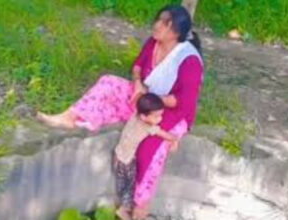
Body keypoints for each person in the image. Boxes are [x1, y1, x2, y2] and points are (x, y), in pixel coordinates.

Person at [36, 5, 204, 219]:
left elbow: (184, 102)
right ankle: (71, 117)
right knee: (109, 83)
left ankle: (139, 209)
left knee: (150, 149)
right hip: (145, 99)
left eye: (165, 24)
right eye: (159, 20)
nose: (158, 25)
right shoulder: (154, 42)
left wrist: (151, 101)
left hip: (170, 112)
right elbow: (137, 66)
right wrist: (137, 84)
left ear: (177, 33)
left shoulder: (189, 61)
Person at [113, 93, 177, 220]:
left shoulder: (134, 115)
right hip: (127, 160)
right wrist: (175, 139)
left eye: (161, 115)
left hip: (117, 155)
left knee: (122, 183)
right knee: (130, 186)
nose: (160, 119)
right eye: (157, 116)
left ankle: (123, 206)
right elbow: (164, 134)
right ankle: (123, 210)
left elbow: (138, 99)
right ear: (143, 116)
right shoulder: (147, 126)